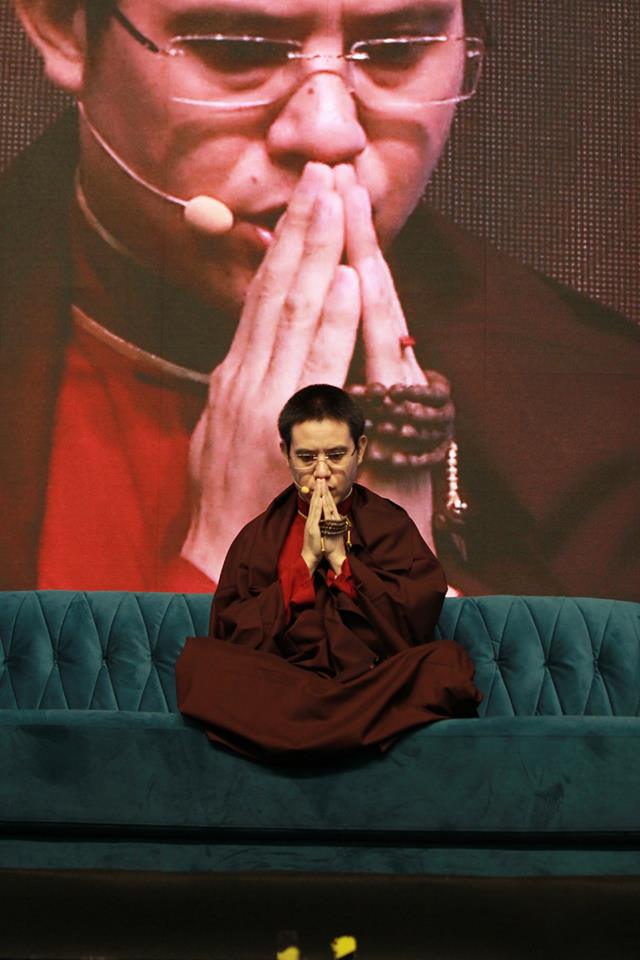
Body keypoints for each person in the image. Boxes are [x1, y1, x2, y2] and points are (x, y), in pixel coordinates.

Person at [1, 0, 638, 599]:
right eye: (237, 51)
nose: (331, 133)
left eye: (396, 50)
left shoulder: (610, 420)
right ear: (63, 25)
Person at [176, 385, 481, 761]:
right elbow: (234, 632)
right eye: (306, 457)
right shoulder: (261, 532)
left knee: (446, 664)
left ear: (360, 450)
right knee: (202, 666)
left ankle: (306, 737)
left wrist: (342, 563)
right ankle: (349, 736)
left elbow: (415, 618)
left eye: (336, 456)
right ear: (285, 454)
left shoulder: (388, 521)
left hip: (367, 680)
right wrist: (304, 563)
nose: (322, 473)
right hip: (289, 679)